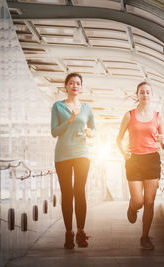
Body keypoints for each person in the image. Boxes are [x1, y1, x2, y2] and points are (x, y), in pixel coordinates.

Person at [116, 81, 164, 250]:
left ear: (151, 95)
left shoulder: (158, 116)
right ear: (137, 95)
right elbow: (118, 139)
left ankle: (145, 237)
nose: (145, 95)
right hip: (134, 160)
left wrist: (163, 140)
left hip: (152, 159)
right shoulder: (129, 115)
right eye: (142, 92)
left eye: (148, 92)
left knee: (150, 202)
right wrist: (125, 154)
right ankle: (132, 208)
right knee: (138, 201)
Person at [51, 73, 95, 249]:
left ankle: (81, 232)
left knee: (80, 191)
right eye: (71, 83)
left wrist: (91, 132)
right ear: (66, 86)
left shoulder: (87, 108)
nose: (75, 85)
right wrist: (69, 120)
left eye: (78, 83)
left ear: (81, 87)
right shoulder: (58, 106)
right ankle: (69, 233)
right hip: (62, 154)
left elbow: (93, 127)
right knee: (67, 194)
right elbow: (54, 132)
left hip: (82, 152)